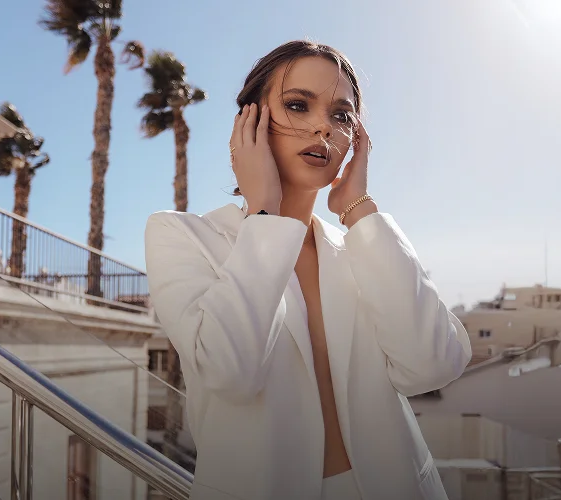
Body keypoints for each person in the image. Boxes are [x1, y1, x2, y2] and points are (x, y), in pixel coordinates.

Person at [145, 40, 471, 500]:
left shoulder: (364, 246)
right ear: (249, 122)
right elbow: (231, 374)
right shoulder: (181, 236)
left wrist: (359, 209)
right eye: (298, 105)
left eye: (341, 116)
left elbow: (433, 364)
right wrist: (264, 214)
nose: (323, 126)